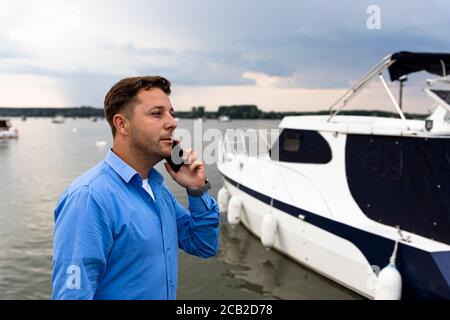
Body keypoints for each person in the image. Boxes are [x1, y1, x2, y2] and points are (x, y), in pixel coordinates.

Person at [51, 76, 220, 299]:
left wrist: (197, 190)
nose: (172, 122)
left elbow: (204, 245)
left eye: (171, 113)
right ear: (122, 124)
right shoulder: (88, 197)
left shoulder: (157, 190)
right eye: (157, 114)